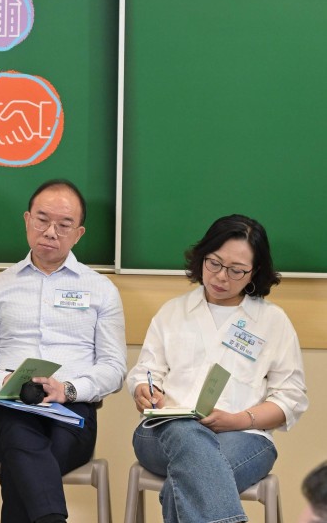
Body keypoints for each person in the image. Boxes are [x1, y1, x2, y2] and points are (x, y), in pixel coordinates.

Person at [0, 179, 126, 523]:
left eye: (64, 224)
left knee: (25, 461)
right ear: (27, 220)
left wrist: (68, 390)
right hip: (9, 406)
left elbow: (114, 368)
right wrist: (5, 380)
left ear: (79, 233)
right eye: (42, 220)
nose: (51, 232)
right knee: (20, 434)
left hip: (72, 410)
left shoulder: (101, 290)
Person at [128, 214, 307, 523]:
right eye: (214, 263)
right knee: (185, 430)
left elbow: (290, 398)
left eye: (236, 270)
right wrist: (146, 390)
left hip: (245, 436)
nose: (221, 277)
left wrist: (237, 420)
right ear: (202, 256)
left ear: (255, 272)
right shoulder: (173, 312)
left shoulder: (272, 321)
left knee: (179, 488)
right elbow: (146, 372)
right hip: (162, 434)